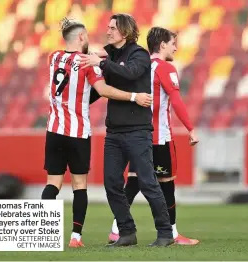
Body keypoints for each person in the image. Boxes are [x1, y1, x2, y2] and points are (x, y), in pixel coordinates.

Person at [41, 18, 153, 248]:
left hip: (54, 129)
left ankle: (42, 237)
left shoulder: (53, 57)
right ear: (81, 37)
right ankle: (75, 238)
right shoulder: (87, 65)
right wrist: (134, 96)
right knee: (79, 185)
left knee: (52, 184)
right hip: (77, 132)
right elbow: (103, 90)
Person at [79, 14, 174, 247]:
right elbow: (100, 89)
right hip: (115, 132)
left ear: (125, 31)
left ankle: (165, 233)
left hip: (137, 131)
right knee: (111, 182)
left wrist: (101, 62)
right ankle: (127, 231)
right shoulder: (110, 54)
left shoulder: (139, 54)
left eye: (113, 28)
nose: (108, 31)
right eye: (108, 27)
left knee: (148, 182)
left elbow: (130, 73)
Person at [107, 27, 200, 246]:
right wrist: (190, 128)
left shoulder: (138, 66)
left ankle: (116, 229)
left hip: (136, 135)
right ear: (162, 45)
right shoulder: (165, 68)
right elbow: (175, 100)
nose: (176, 47)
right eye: (173, 43)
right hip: (159, 138)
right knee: (166, 184)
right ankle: (173, 233)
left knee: (134, 183)